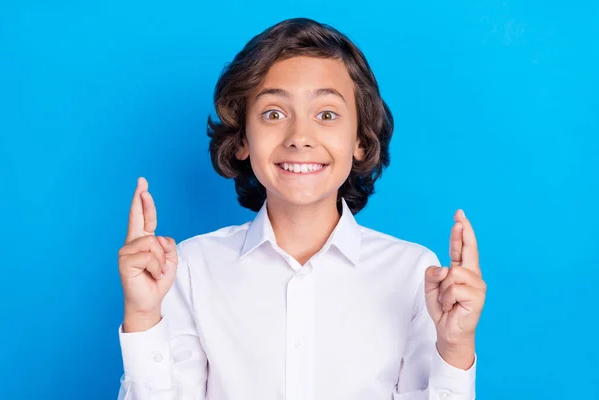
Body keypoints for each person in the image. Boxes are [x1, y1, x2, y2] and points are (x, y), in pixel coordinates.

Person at [116, 18, 486, 400]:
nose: (300, 138)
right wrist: (143, 317)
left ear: (360, 140)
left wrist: (455, 347)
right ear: (243, 139)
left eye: (326, 115)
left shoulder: (413, 273)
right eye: (274, 114)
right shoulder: (190, 267)